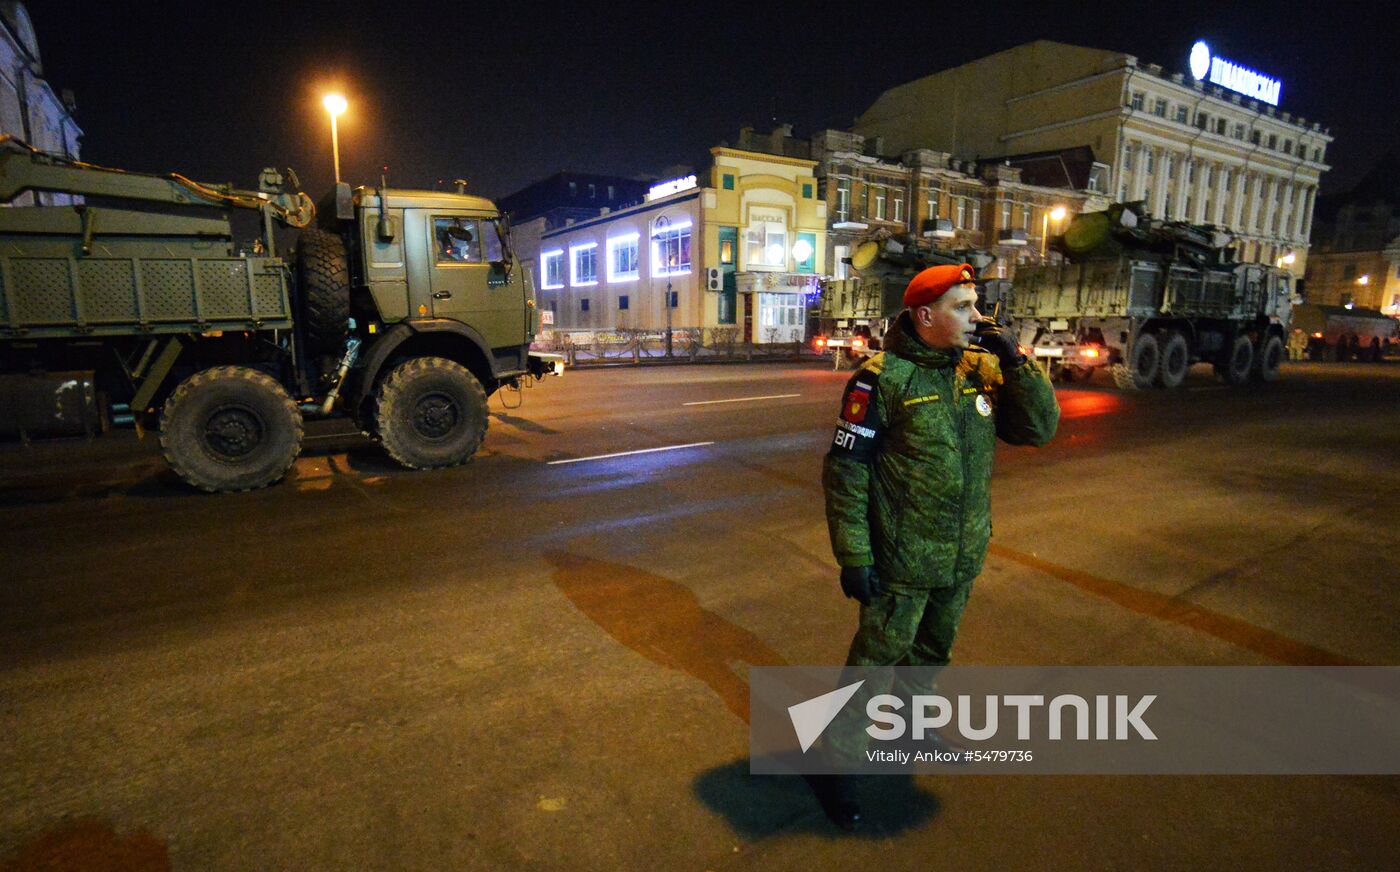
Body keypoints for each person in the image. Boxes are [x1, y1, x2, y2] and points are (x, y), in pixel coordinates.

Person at [806, 262, 1060, 829]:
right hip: (901, 558)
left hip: (961, 552)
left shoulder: (983, 370)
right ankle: (836, 760)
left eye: (975, 304)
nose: (979, 316)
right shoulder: (882, 378)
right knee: (875, 663)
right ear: (925, 316)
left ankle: (914, 726)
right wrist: (854, 556)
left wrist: (1018, 363)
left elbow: (1038, 430)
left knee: (932, 653)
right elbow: (847, 471)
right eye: (962, 307)